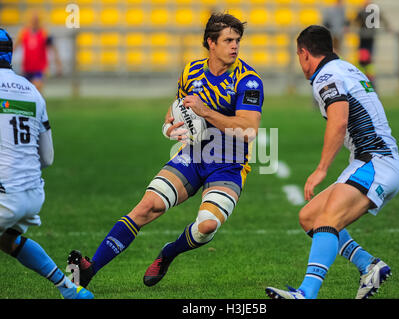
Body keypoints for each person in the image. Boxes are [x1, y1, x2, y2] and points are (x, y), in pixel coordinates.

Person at [67, 13, 264, 290]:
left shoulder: (249, 80)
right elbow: (177, 108)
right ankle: (90, 270)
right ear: (211, 43)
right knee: (147, 206)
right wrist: (169, 125)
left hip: (228, 164)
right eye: (228, 40)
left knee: (207, 225)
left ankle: (168, 253)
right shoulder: (191, 71)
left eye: (237, 40)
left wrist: (205, 111)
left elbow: (248, 129)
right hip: (193, 156)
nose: (235, 46)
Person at [265, 25, 399, 299]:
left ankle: (306, 294)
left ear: (304, 54)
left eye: (298, 54)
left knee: (327, 219)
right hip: (371, 161)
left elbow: (338, 122)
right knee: (309, 217)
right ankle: (370, 265)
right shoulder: (347, 68)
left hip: (376, 163)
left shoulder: (325, 76)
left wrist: (321, 170)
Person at [0, 28, 93, 299]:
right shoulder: (31, 91)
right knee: (7, 240)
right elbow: (48, 158)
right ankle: (70, 290)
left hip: (5, 194)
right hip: (32, 194)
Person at [13, 11, 62, 93]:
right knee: (27, 93)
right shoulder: (24, 33)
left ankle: (39, 105)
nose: (34, 22)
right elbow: (14, 47)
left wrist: (58, 64)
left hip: (40, 69)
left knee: (36, 90)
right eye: (33, 20)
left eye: (36, 20)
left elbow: (53, 48)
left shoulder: (44, 33)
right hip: (27, 68)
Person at [353, 0, 391, 84]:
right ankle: (364, 79)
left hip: (368, 38)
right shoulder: (367, 11)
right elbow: (355, 21)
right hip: (364, 38)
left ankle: (368, 80)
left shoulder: (368, 11)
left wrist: (388, 27)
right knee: (364, 60)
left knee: (367, 60)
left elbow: (355, 21)